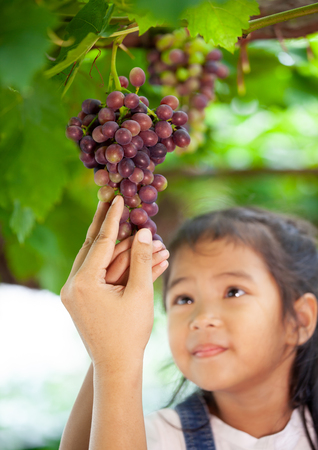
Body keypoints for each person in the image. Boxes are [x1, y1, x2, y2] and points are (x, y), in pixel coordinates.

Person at [59, 195, 318, 450]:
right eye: (184, 299)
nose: (201, 319)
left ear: (299, 321)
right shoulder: (149, 438)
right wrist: (111, 356)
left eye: (233, 292)